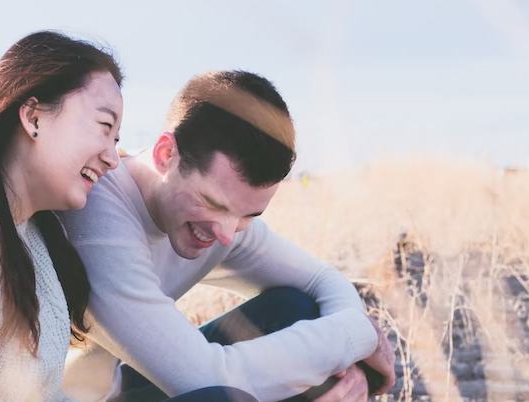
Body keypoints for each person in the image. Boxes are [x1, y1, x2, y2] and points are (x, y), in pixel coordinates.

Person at [0, 30, 260, 402]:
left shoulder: (33, 235)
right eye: (103, 127)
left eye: (117, 139)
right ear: (33, 116)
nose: (113, 158)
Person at [57, 70, 396, 402]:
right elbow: (206, 380)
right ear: (166, 155)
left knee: (297, 306)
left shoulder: (223, 222)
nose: (226, 234)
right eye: (212, 204)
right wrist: (356, 337)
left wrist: (351, 358)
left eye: (249, 215)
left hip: (119, 385)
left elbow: (322, 278)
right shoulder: (96, 214)